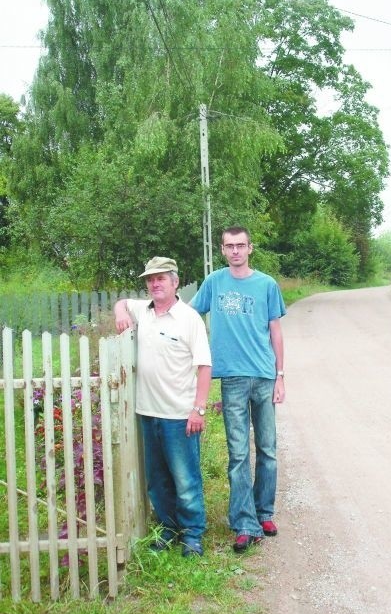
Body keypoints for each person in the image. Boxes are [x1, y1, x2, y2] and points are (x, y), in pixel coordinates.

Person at [190, 226, 286, 553]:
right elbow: (189, 315)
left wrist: (280, 375)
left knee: (269, 450)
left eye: (240, 245)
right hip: (231, 378)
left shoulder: (267, 285)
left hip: (263, 376)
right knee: (239, 453)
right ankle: (245, 523)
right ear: (222, 250)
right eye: (229, 246)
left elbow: (276, 332)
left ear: (250, 248)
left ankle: (264, 513)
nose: (235, 251)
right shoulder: (214, 283)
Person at [114, 256, 212, 558]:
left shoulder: (189, 318)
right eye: (150, 279)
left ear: (175, 282)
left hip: (179, 415)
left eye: (161, 278)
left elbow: (204, 366)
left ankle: (193, 534)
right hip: (148, 413)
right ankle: (168, 529)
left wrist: (198, 409)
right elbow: (121, 303)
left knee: (185, 479)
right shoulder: (143, 311)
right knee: (157, 480)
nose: (154, 284)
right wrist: (120, 313)